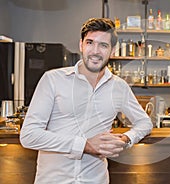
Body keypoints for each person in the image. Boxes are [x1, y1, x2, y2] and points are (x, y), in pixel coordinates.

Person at [20, 17, 153, 183]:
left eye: (103, 45)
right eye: (90, 42)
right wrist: (84, 145)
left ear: (112, 51)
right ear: (81, 45)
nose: (95, 51)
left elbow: (145, 123)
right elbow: (29, 135)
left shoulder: (119, 87)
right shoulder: (53, 79)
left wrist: (125, 139)